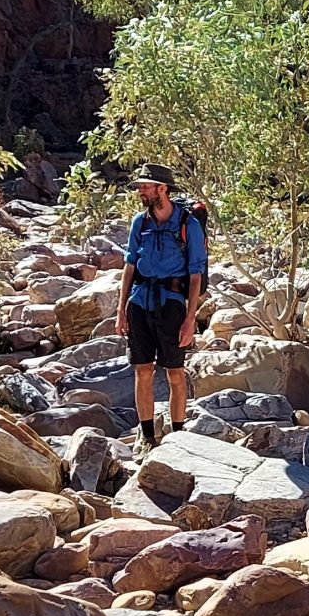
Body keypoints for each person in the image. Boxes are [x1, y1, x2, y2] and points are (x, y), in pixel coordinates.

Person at [122, 165, 206, 445]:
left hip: (171, 305)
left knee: (174, 372)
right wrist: (121, 311)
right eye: (140, 186)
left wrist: (190, 319)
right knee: (142, 369)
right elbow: (129, 266)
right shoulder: (140, 223)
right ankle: (148, 437)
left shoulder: (187, 225)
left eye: (145, 186)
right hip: (139, 302)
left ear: (162, 188)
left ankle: (178, 437)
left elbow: (196, 275)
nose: (140, 191)